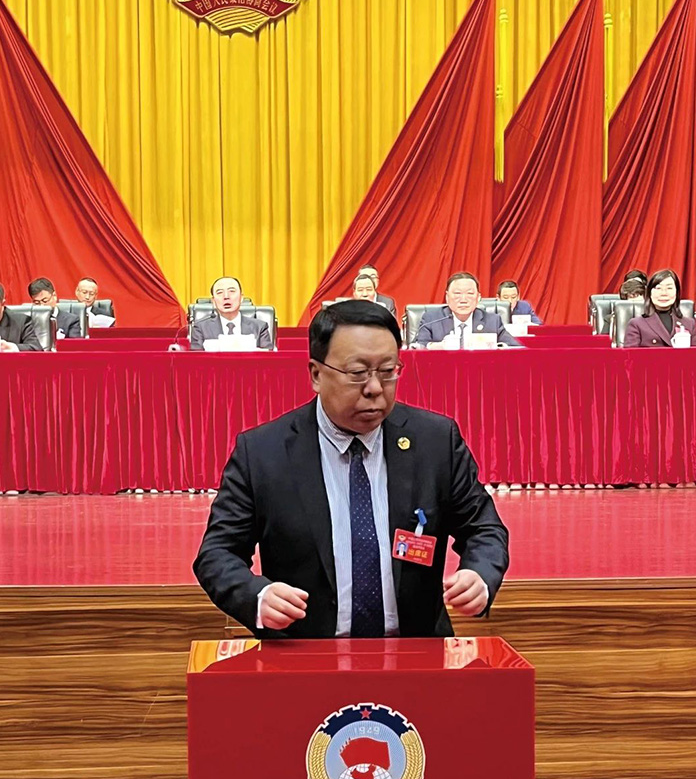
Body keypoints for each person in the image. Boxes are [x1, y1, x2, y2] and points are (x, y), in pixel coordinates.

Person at [194, 300, 509, 638]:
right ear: (316, 374)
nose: (375, 388)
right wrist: (257, 596)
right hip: (305, 653)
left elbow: (483, 528)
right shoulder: (263, 452)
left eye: (387, 371)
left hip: (416, 651)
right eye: (357, 373)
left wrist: (479, 574)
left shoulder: (435, 441)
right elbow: (217, 553)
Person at [414, 272, 520, 347]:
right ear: (447, 297)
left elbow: (515, 348)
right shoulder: (431, 319)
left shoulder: (492, 321)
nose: (463, 300)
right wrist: (435, 346)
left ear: (478, 298)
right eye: (457, 293)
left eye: (470, 293)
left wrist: (496, 347)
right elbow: (417, 347)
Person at [191, 276, 273, 350]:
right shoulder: (200, 328)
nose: (226, 296)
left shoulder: (260, 327)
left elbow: (267, 358)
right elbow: (196, 359)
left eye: (232, 291)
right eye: (220, 292)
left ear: (241, 298)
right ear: (213, 301)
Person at [623, 269, 696, 348]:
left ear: (677, 292)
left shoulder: (689, 324)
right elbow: (631, 355)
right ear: (649, 293)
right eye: (658, 288)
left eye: (669, 288)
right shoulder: (636, 324)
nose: (664, 293)